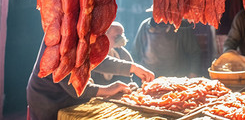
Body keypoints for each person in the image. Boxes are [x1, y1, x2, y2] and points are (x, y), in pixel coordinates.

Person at [27, 38, 155, 120]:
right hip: (49, 101)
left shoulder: (80, 34)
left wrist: (133, 67)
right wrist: (109, 89)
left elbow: (95, 59)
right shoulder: (62, 38)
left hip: (68, 100)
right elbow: (75, 89)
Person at [132, 17, 202, 78]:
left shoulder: (180, 26)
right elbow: (135, 53)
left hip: (176, 78)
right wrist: (140, 74)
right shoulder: (145, 25)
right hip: (149, 78)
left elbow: (194, 52)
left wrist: (193, 73)